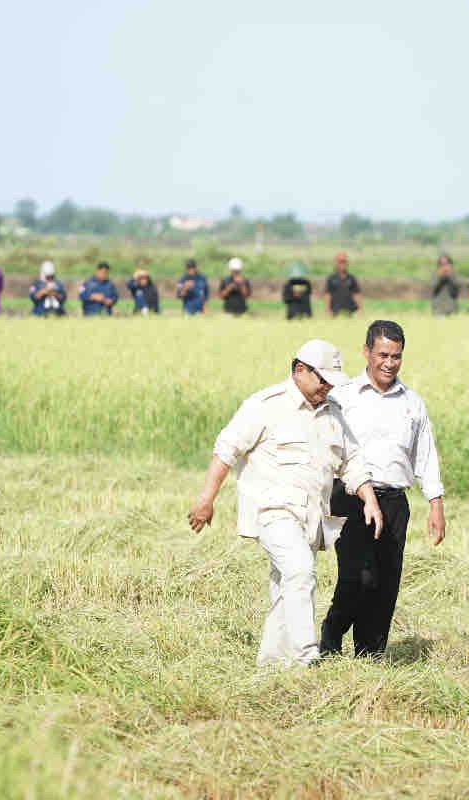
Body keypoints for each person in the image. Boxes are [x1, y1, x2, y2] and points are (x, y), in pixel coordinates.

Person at [188, 340, 383, 668]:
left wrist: (370, 500)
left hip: (312, 518)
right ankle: (306, 657)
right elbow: (227, 450)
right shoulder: (265, 405)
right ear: (299, 371)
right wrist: (206, 499)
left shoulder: (333, 412)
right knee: (300, 571)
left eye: (331, 380)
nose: (327, 386)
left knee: (286, 587)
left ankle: (273, 665)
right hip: (272, 512)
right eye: (322, 379)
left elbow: (351, 463)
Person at [322, 320, 445, 659]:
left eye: (397, 356)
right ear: (366, 352)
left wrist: (435, 504)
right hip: (349, 498)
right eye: (383, 355)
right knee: (358, 577)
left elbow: (426, 454)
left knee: (385, 583)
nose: (390, 363)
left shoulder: (412, 403)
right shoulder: (342, 397)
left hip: (394, 502)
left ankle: (370, 655)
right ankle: (330, 639)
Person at [325, 252, 362, 316]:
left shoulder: (351, 278)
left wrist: (361, 309)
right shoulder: (331, 279)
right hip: (335, 311)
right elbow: (328, 295)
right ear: (336, 263)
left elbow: (356, 294)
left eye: (344, 262)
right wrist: (327, 310)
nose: (342, 264)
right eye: (340, 262)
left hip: (351, 312)